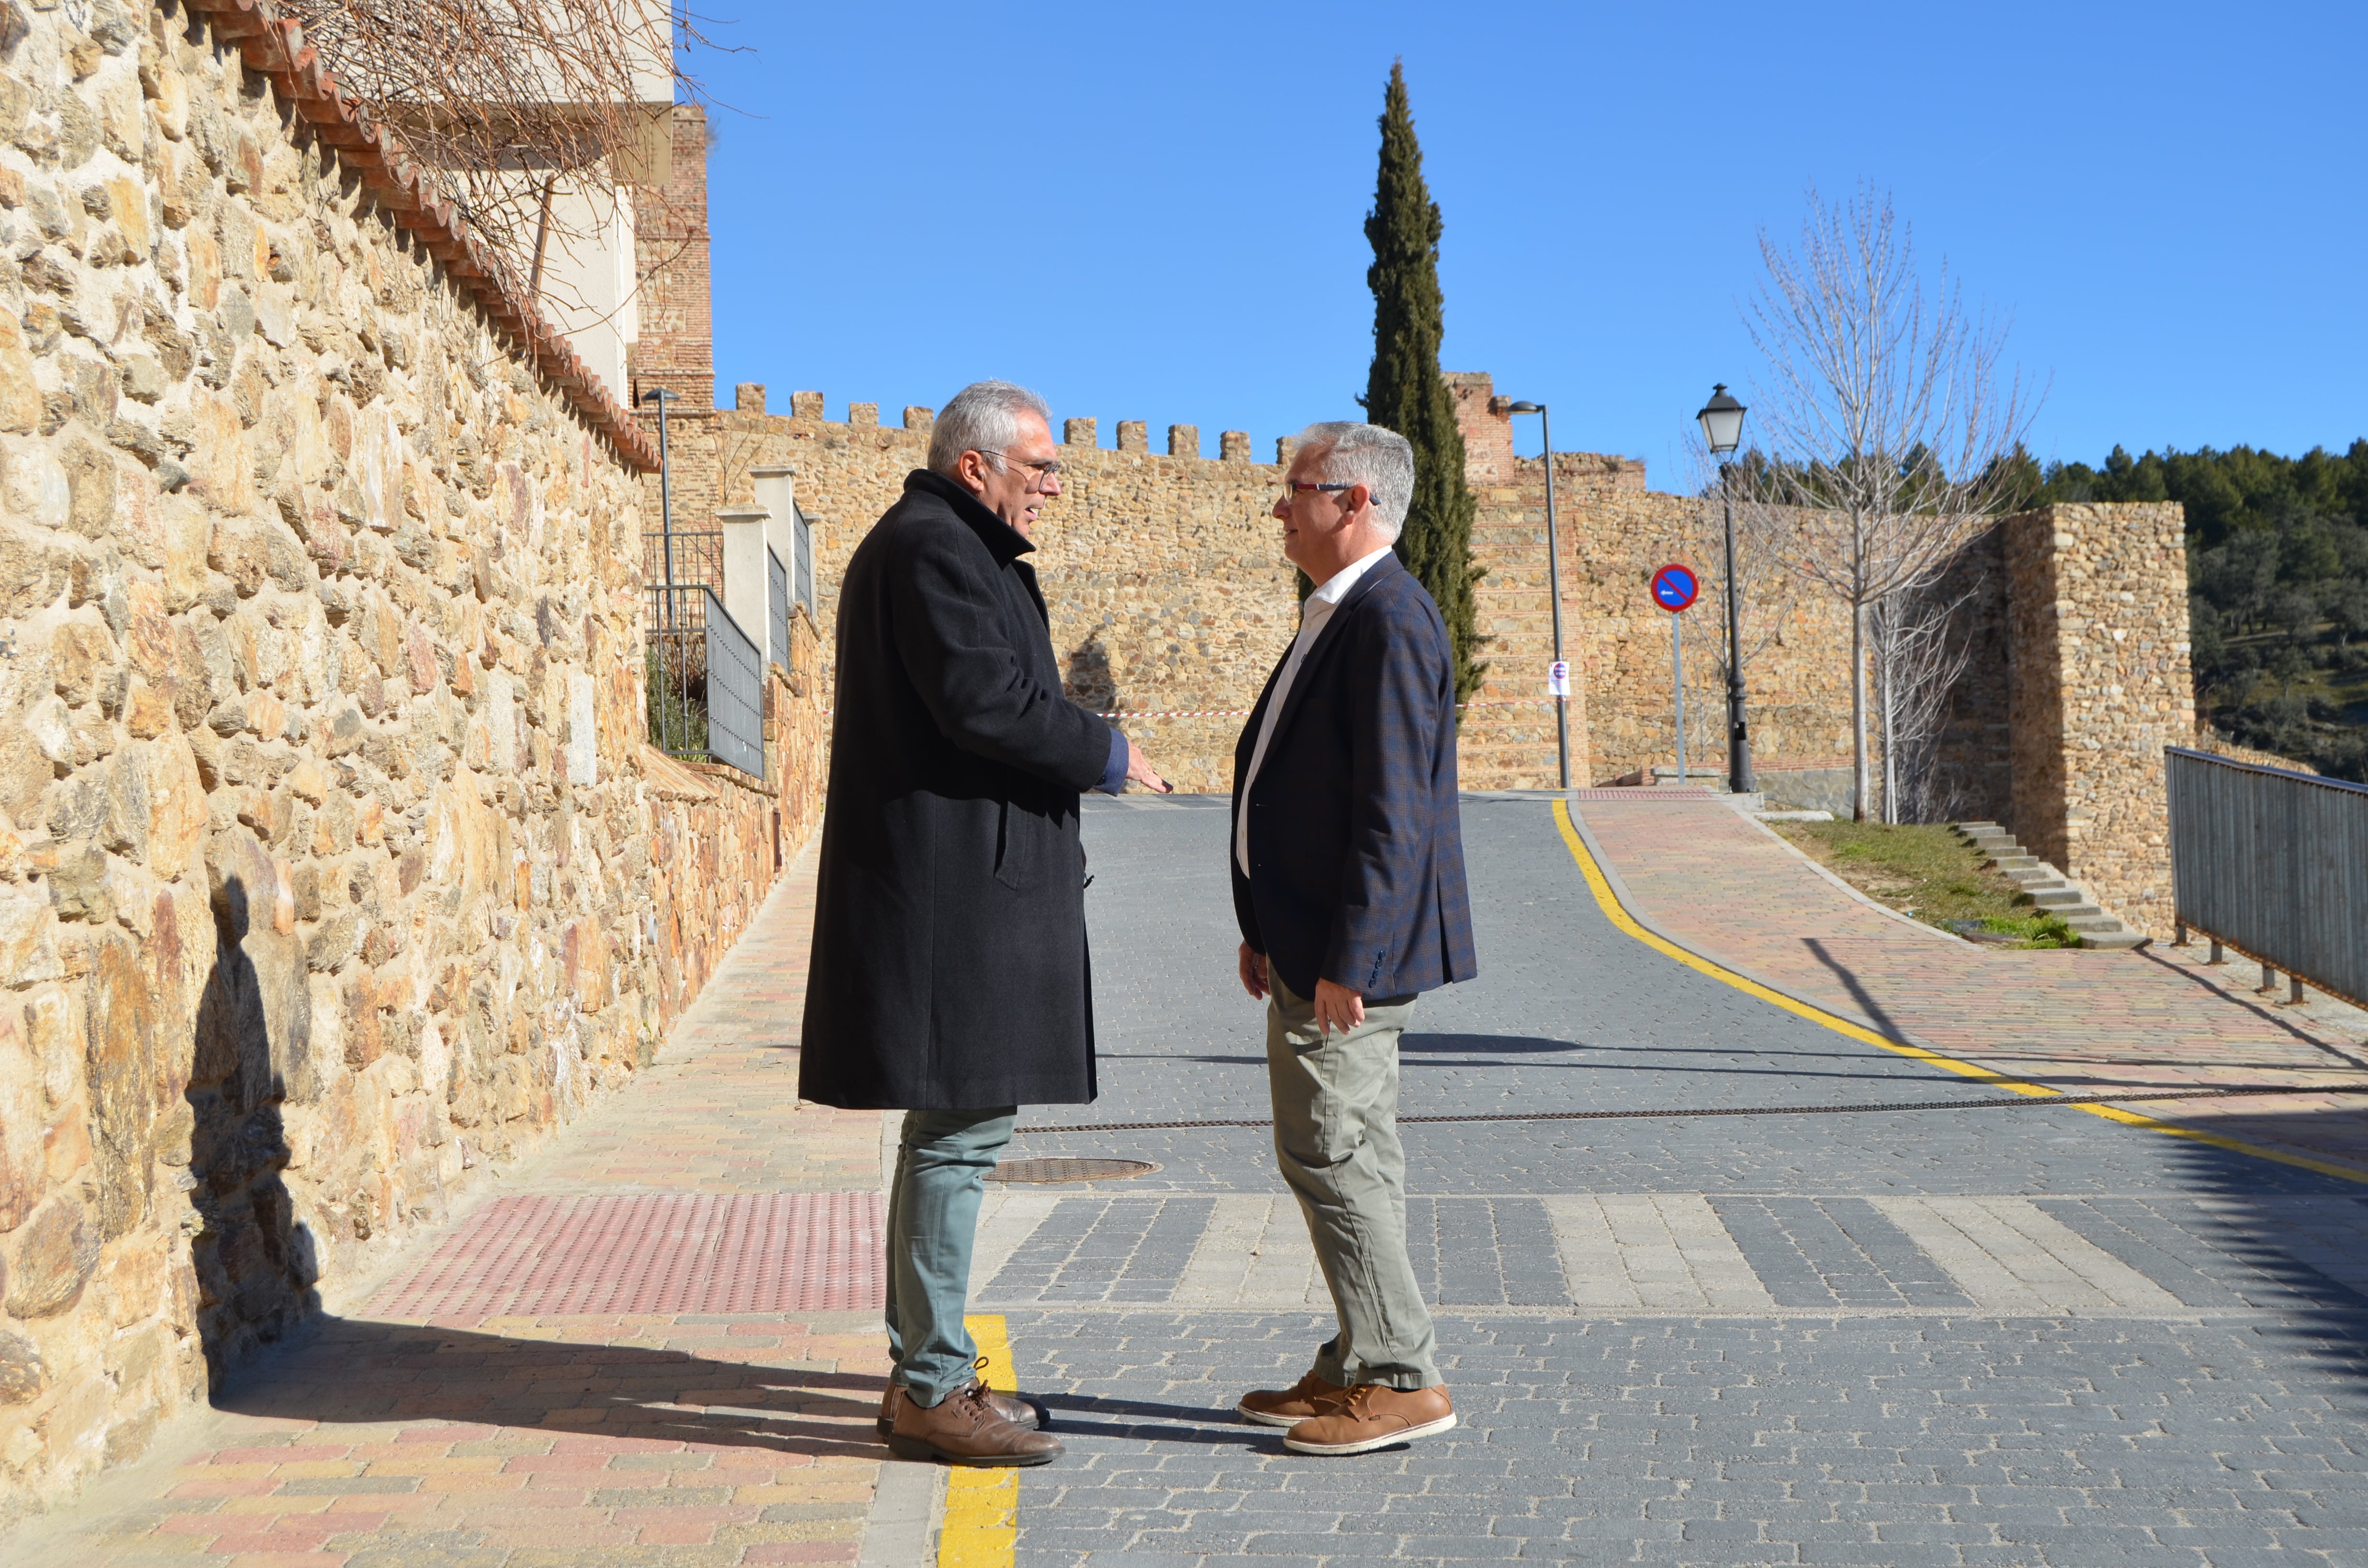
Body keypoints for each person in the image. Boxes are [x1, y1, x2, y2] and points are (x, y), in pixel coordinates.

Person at [800, 380, 1168, 1467]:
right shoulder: (931, 550)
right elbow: (985, 702)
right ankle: (929, 1386)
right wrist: (1105, 751)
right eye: (1041, 467)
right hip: (951, 900)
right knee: (956, 1140)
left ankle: (931, 1369)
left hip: (966, 889)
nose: (1055, 487)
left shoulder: (952, 546)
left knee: (958, 1135)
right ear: (977, 467)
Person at [1228, 421, 1477, 1456]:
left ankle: (1399, 1376)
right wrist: (1264, 926)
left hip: (1347, 962)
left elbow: (1392, 814)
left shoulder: (1388, 621)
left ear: (1356, 502)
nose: (1280, 507)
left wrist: (1350, 960)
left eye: (1299, 490)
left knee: (1332, 1153)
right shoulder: (1340, 612)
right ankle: (1357, 1353)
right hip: (1307, 945)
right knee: (1347, 1155)